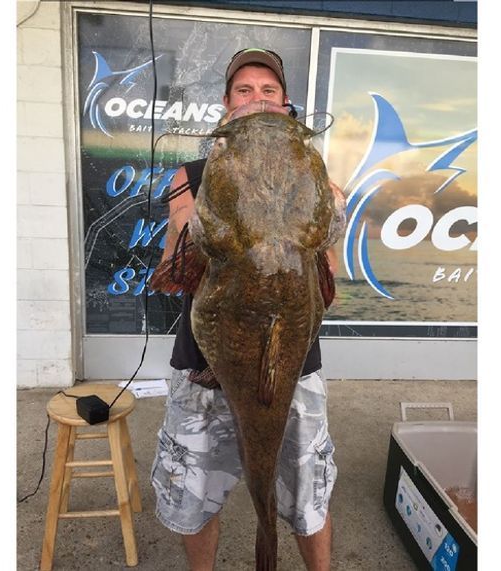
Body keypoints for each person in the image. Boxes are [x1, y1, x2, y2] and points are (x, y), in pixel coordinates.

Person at [149, 48, 342, 571]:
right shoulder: (191, 173)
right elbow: (171, 274)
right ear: (226, 105)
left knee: (307, 490)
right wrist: (185, 228)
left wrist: (333, 224)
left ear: (286, 105)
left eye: (268, 90)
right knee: (195, 495)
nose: (256, 98)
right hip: (204, 361)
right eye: (243, 90)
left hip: (294, 361)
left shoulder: (312, 170)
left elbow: (330, 287)